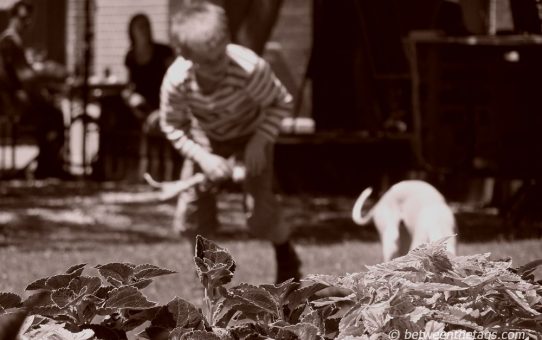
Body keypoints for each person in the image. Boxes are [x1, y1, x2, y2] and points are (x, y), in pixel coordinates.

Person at [160, 0, 301, 283]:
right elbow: (172, 125)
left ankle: (287, 255)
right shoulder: (177, 80)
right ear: (187, 56)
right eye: (210, 62)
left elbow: (281, 103)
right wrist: (203, 158)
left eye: (221, 53)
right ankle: (211, 279)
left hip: (252, 135)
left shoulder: (249, 69)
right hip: (206, 140)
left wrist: (260, 141)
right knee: (191, 218)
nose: (220, 64)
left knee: (260, 216)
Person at [0, 0, 68, 179]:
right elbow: (23, 78)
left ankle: (47, 162)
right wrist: (43, 73)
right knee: (54, 114)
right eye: (23, 18)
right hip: (15, 104)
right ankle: (49, 164)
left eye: (29, 19)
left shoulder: (13, 41)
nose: (26, 23)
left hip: (19, 100)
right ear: (13, 17)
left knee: (51, 110)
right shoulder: (10, 41)